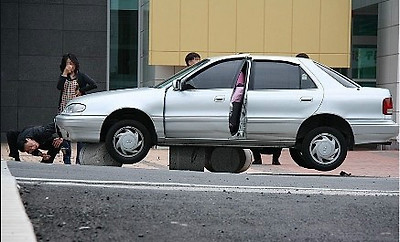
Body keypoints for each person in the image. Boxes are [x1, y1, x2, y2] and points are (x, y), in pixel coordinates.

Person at [57, 53, 97, 164]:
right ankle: (66, 160)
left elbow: (93, 84)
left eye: (72, 63)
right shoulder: (63, 76)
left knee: (79, 135)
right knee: (65, 135)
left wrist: (81, 90)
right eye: (68, 63)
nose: (71, 66)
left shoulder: (81, 76)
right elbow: (59, 87)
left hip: (77, 110)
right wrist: (65, 73)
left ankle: (79, 160)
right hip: (64, 108)